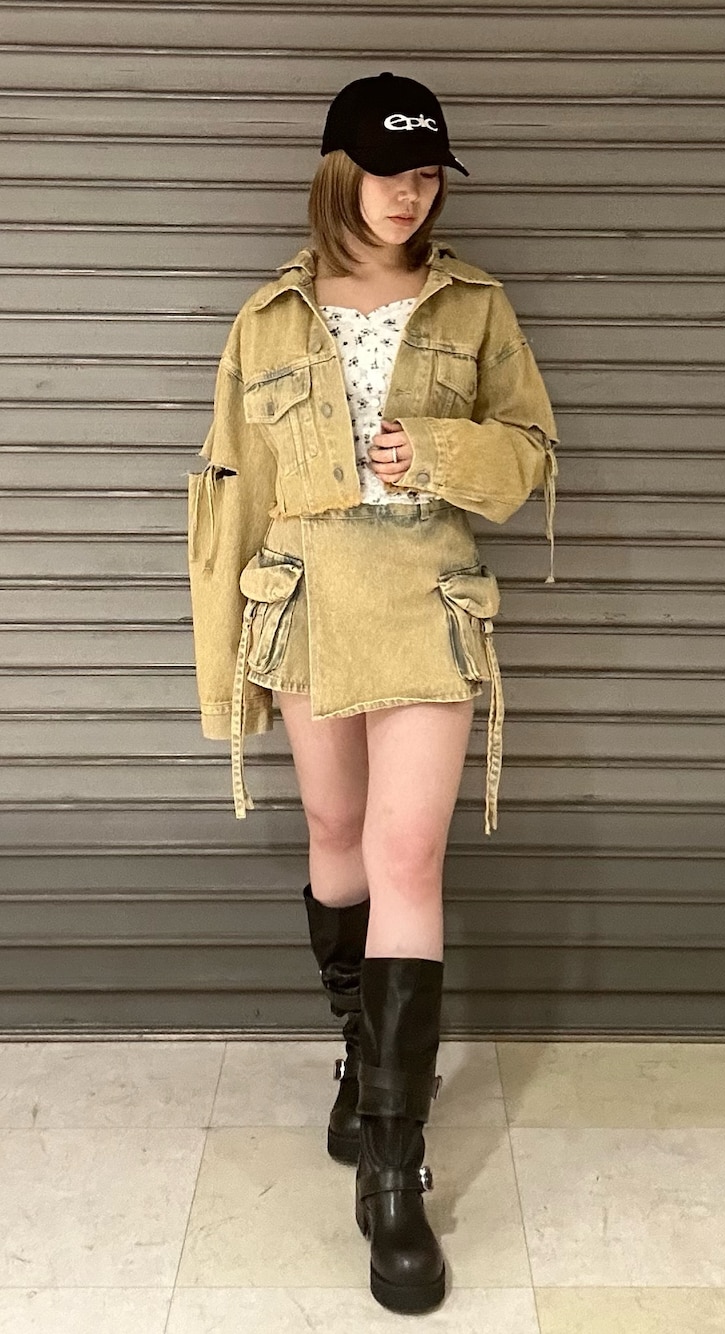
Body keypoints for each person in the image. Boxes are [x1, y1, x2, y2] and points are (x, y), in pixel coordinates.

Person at [186, 71, 559, 1313]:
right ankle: (361, 1054)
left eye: (428, 173)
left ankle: (395, 1168)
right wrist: (223, 674)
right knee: (335, 833)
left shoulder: (476, 303)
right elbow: (228, 500)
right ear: (339, 172)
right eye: (390, 171)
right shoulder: (268, 317)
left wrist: (439, 452)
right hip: (301, 601)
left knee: (407, 854)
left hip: (428, 598)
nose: (411, 194)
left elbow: (530, 451)